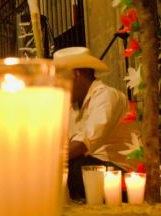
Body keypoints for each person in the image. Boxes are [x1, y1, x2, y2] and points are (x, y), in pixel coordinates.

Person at [52, 46, 140, 201]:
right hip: (91, 168)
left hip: (119, 174)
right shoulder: (71, 107)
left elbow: (85, 142)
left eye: (60, 79)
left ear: (76, 74)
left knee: (70, 165)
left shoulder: (106, 96)